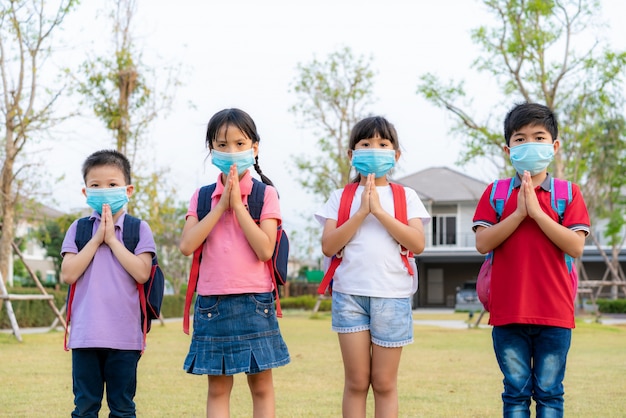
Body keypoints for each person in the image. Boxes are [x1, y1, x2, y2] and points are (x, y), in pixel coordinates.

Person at [472, 102, 590, 417]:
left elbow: (575, 247)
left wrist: (536, 214)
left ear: (554, 146)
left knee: (551, 395)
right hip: (508, 313)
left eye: (539, 137)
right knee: (514, 395)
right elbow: (483, 243)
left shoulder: (569, 193)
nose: (529, 144)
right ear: (507, 148)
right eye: (520, 138)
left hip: (555, 314)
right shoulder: (495, 193)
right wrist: (520, 213)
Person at [314, 116, 430, 418]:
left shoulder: (407, 197)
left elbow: (417, 243)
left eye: (382, 144)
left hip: (392, 296)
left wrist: (378, 211)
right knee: (355, 382)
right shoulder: (340, 197)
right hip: (349, 295)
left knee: (384, 383)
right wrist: (361, 211)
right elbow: (329, 245)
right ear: (352, 155)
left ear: (396, 155)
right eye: (365, 144)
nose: (374, 149)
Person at [179, 108, 290, 418]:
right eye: (222, 145)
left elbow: (265, 250)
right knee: (217, 388)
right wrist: (219, 207)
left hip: (256, 302)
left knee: (262, 387)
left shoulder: (265, 195)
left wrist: (238, 208)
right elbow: (187, 246)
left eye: (240, 144)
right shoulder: (201, 198)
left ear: (254, 148)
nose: (231, 152)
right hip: (212, 303)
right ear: (211, 149)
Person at [61, 149, 156, 417]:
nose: (104, 190)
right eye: (96, 185)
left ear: (128, 189)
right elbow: (68, 274)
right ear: (85, 192)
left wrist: (112, 240)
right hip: (85, 336)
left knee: (123, 408)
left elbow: (142, 273)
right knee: (85, 407)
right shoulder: (78, 229)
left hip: (125, 338)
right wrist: (96, 239)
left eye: (112, 184)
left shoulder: (138, 229)